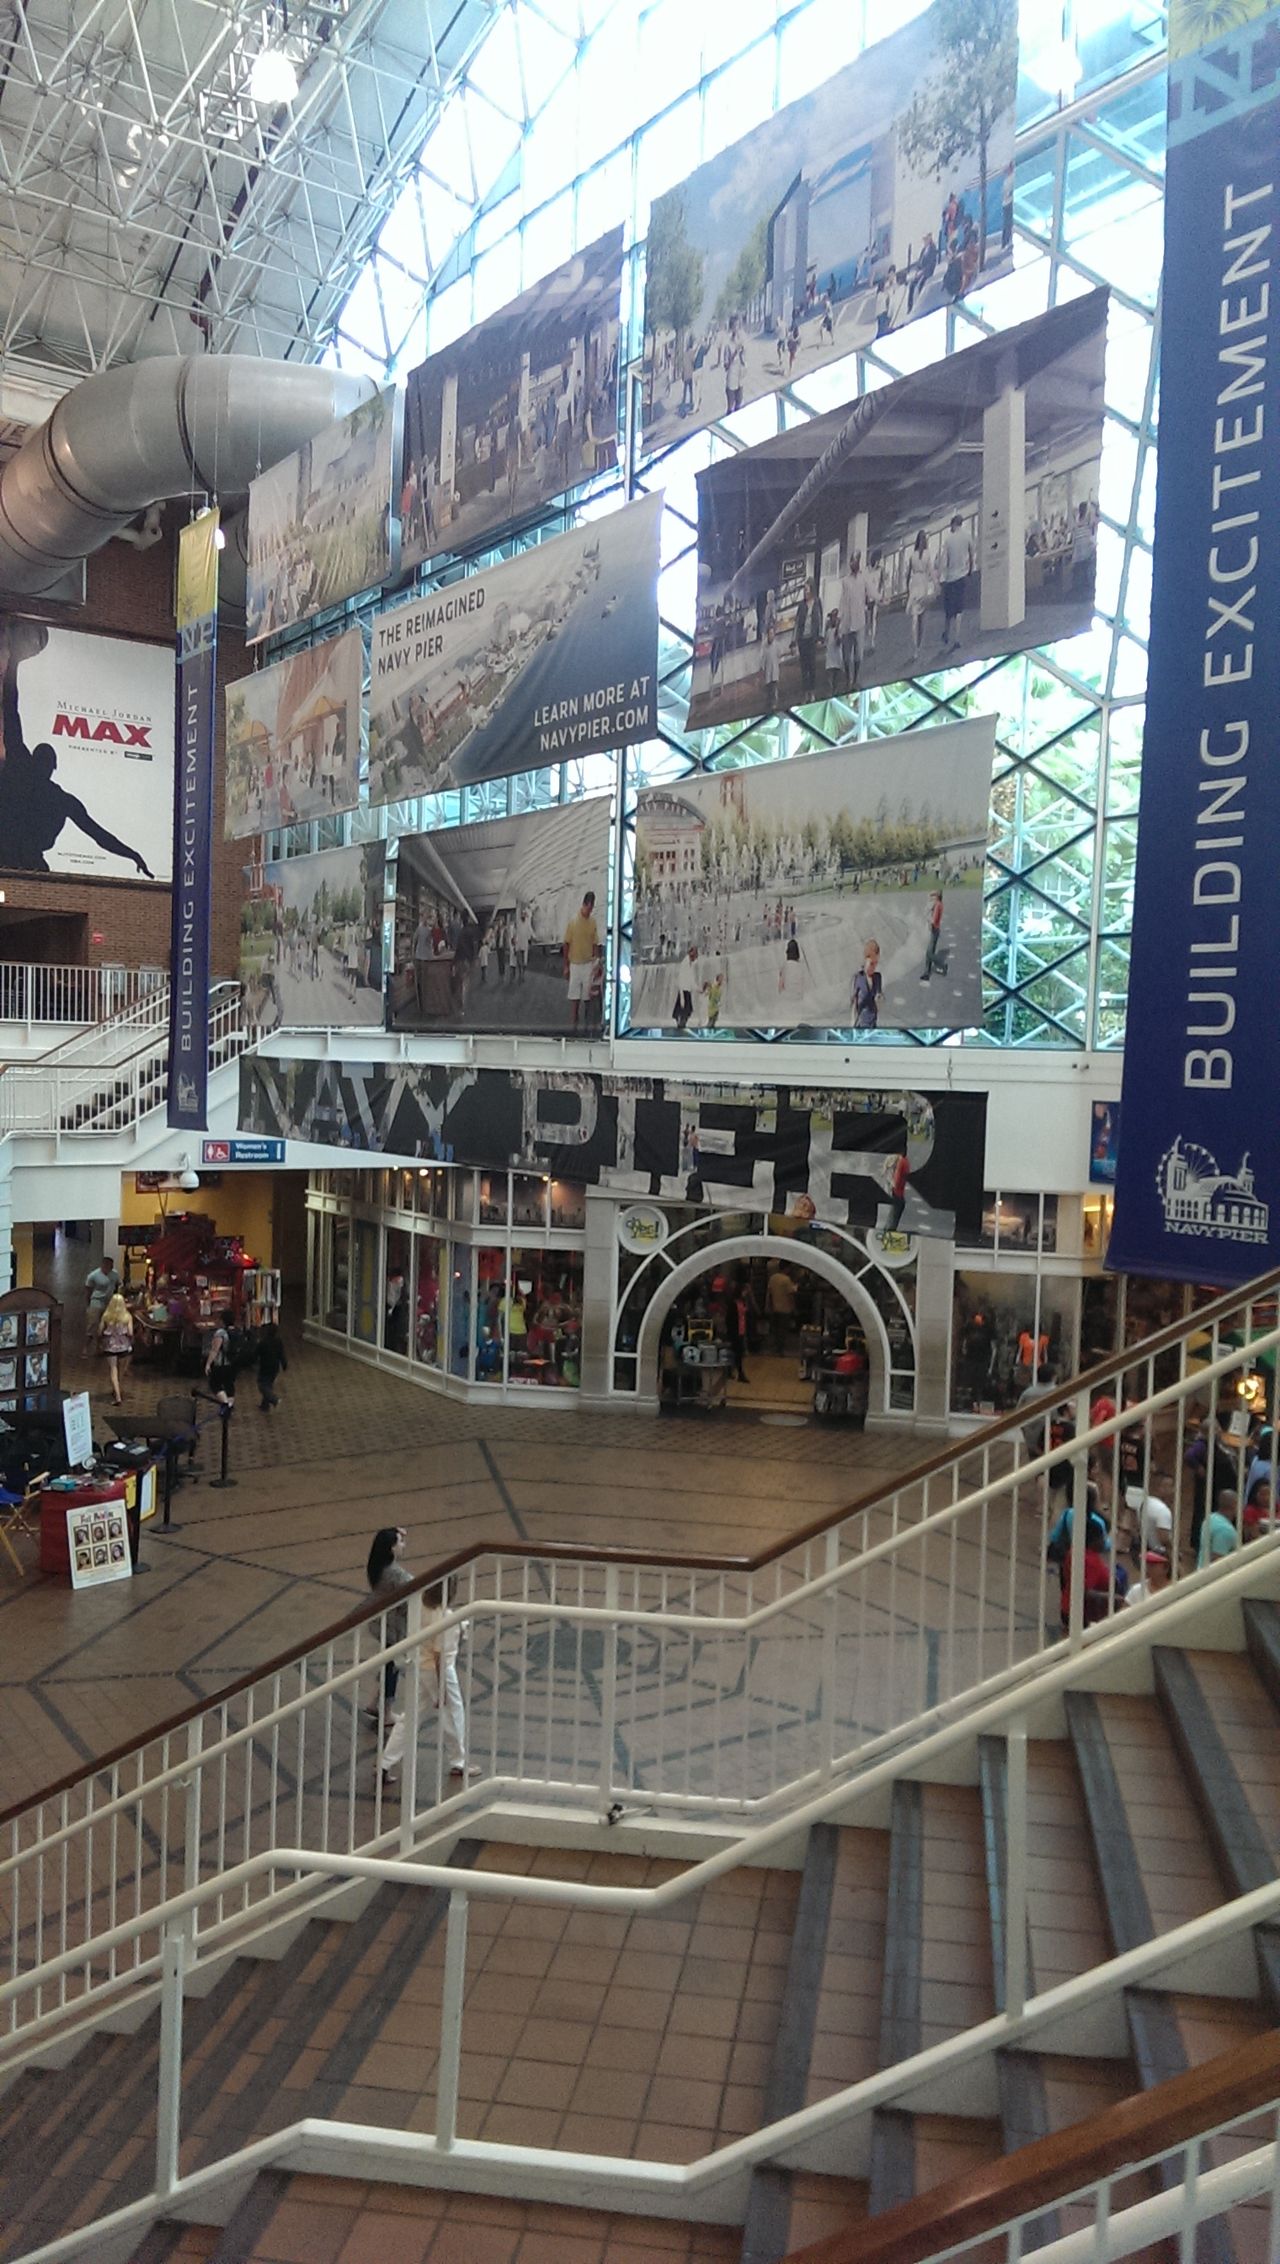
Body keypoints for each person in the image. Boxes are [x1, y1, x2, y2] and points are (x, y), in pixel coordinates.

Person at [365, 1525, 411, 1716]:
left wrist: (394, 1530)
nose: (404, 1545)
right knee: (393, 1667)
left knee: (388, 1663)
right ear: (392, 1548)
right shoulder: (395, 1574)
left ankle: (375, 1703)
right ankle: (387, 1712)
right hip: (395, 1627)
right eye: (400, 1542)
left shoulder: (377, 1567)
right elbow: (414, 1589)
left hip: (384, 1622)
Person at [563, 889, 601, 1031]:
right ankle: (573, 1025)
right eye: (590, 907)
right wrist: (566, 966)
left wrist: (596, 963)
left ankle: (586, 1026)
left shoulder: (593, 922)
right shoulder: (573, 922)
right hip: (575, 964)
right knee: (574, 999)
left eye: (592, 908)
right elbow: (566, 944)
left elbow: (595, 944)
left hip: (588, 965)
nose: (590, 910)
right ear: (585, 904)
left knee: (588, 998)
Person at [938, 513, 973, 650]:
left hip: (950, 578)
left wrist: (940, 576)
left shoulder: (948, 539)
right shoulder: (967, 536)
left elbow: (943, 560)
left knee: (948, 609)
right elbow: (971, 553)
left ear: (953, 524)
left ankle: (946, 632)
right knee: (959, 609)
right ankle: (957, 638)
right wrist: (970, 569)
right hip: (961, 576)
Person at [840, 552, 870, 689]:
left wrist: (880, 598)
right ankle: (848, 678)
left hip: (859, 622)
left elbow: (871, 592)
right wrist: (840, 620)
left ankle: (855, 678)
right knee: (846, 655)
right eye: (851, 561)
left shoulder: (863, 578)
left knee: (858, 654)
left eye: (855, 561)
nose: (853, 563)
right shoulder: (845, 581)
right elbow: (843, 602)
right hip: (847, 622)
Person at [99, 1291, 133, 1407]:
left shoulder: (106, 1316)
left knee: (113, 1370)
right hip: (124, 1346)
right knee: (121, 1370)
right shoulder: (127, 1316)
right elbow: (130, 1332)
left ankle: (117, 1395)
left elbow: (100, 1331)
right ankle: (118, 1388)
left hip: (110, 1346)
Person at [84, 1257, 121, 1356]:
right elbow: (88, 1290)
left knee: (106, 1326)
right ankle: (86, 1348)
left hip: (108, 1303)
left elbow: (117, 1286)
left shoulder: (115, 1275)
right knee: (93, 1324)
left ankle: (100, 1347)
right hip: (96, 1302)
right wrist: (88, 1304)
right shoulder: (93, 1275)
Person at [906, 531, 935, 654]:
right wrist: (934, 585)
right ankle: (920, 644)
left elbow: (908, 575)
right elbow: (931, 571)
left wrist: (908, 590)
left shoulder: (912, 556)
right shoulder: (928, 554)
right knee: (922, 618)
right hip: (923, 584)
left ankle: (915, 648)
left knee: (914, 618)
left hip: (914, 584)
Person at [204, 1307, 239, 1406]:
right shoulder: (238, 1331)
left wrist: (208, 1364)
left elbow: (215, 1350)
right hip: (234, 1364)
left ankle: (225, 1404)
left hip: (221, 1364)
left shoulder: (221, 1333)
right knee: (229, 1385)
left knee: (215, 1384)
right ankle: (230, 1405)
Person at [1198, 1496, 1240, 1568]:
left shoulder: (1211, 1518)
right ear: (1234, 1506)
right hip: (1214, 1577)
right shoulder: (1225, 1530)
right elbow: (1218, 1560)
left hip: (1201, 1571)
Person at [255, 1320, 288, 1412]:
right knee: (269, 1384)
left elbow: (255, 1354)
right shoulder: (278, 1341)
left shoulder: (263, 1342)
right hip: (275, 1367)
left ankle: (274, 1399)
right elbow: (282, 1354)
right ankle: (265, 1405)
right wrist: (284, 1364)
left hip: (265, 1367)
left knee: (262, 1385)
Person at [765, 1266, 797, 1357]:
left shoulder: (773, 1278)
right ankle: (780, 1349)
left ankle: (773, 1348)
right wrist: (794, 1307)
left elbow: (770, 1293)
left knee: (774, 1330)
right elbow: (790, 1295)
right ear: (787, 1268)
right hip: (785, 1308)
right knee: (782, 1330)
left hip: (774, 1308)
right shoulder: (787, 1280)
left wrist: (768, 1306)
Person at [851, 937, 881, 1029]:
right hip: (861, 1024)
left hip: (873, 1024)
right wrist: (852, 1022)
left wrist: (879, 999)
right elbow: (854, 1002)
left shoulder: (878, 977)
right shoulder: (858, 978)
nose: (874, 967)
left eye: (876, 963)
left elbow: (878, 1001)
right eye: (872, 963)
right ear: (866, 959)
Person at [921, 891, 945, 981]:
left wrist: (928, 919)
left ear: (937, 896)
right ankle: (926, 973)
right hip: (935, 930)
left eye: (934, 896)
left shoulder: (937, 905)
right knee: (930, 953)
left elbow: (934, 920)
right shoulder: (938, 904)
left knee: (929, 953)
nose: (932, 898)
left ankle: (941, 965)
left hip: (934, 930)